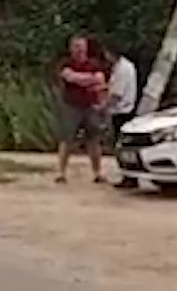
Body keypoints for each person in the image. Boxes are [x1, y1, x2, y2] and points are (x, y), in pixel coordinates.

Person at [53, 35, 110, 184]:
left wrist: (82, 79)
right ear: (71, 48)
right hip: (71, 106)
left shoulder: (94, 63)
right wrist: (89, 79)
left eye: (82, 46)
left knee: (94, 140)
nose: (79, 49)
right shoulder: (66, 63)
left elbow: (100, 80)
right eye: (76, 46)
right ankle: (61, 173)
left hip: (90, 106)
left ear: (86, 47)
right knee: (67, 139)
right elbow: (69, 77)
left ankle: (97, 173)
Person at [104, 44, 141, 189]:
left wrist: (103, 107)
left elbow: (116, 94)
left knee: (121, 146)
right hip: (125, 110)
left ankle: (129, 177)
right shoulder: (125, 66)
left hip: (122, 112)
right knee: (124, 145)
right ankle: (129, 175)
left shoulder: (122, 69)